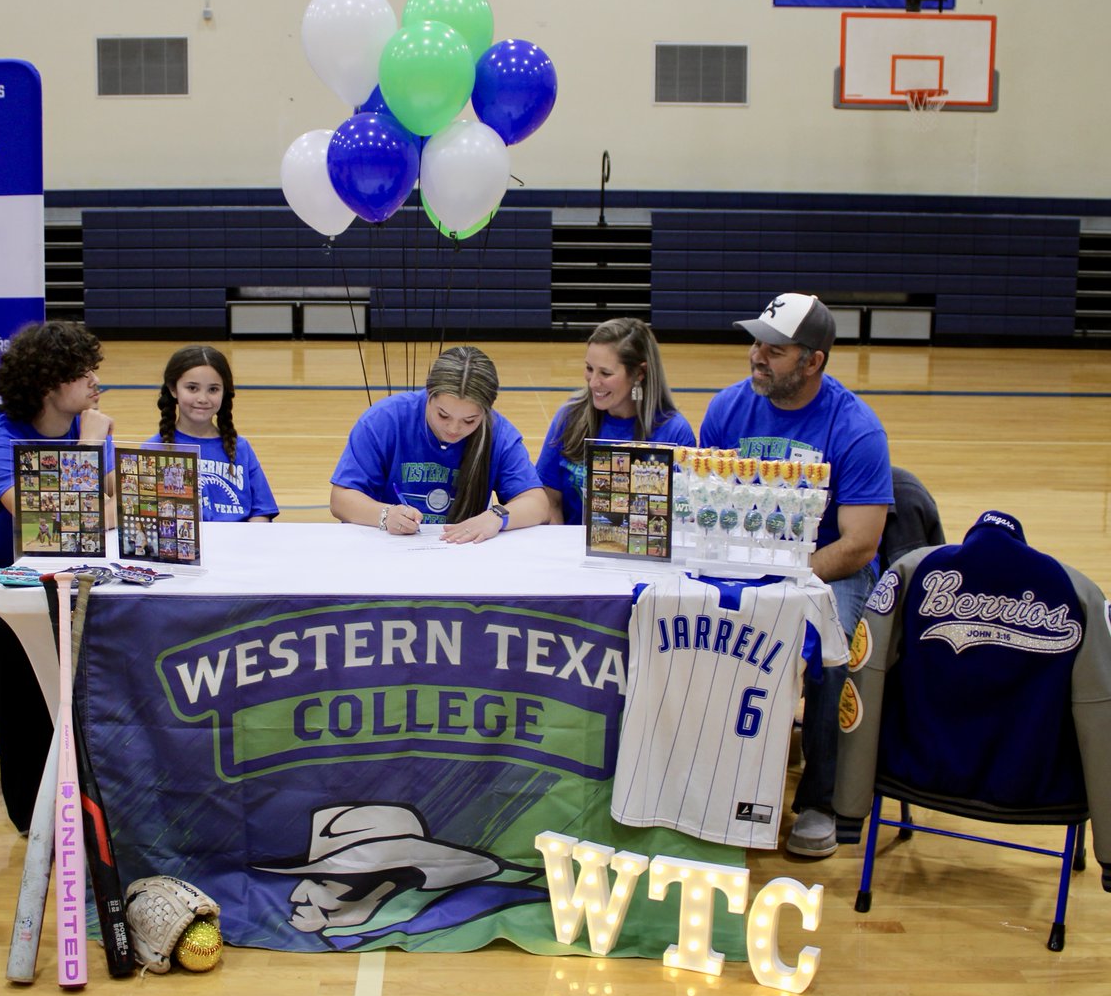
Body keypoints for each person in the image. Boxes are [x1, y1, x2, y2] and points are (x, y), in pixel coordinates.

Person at [699, 292, 893, 858]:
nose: (757, 355)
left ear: (813, 362)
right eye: (756, 342)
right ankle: (722, 774)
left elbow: (858, 546)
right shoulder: (726, 409)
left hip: (826, 570)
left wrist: (785, 576)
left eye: (775, 349)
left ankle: (819, 800)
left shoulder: (857, 429)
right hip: (745, 559)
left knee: (833, 661)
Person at [0, 320, 115, 833]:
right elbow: (65, 524)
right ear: (48, 384)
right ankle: (34, 813)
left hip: (54, 573)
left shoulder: (86, 430)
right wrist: (88, 451)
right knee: (11, 647)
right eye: (83, 373)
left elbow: (113, 509)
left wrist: (92, 471)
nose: (94, 382)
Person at [330, 345, 549, 543]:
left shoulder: (499, 432)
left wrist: (496, 516)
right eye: (443, 415)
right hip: (389, 548)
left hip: (462, 551)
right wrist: (385, 514)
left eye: (469, 421)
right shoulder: (385, 419)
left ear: (486, 411)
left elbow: (537, 503)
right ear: (428, 395)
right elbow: (341, 499)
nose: (453, 429)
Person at [535, 318, 696, 525]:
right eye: (589, 368)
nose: (593, 382)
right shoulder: (570, 417)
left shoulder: (675, 433)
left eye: (605, 373)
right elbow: (550, 499)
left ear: (639, 373)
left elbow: (684, 516)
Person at [147, 345, 278, 522]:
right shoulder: (153, 450)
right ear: (173, 389)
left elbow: (261, 512)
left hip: (237, 547)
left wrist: (248, 544)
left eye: (213, 389)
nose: (203, 398)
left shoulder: (241, 448)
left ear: (224, 392)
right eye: (192, 388)